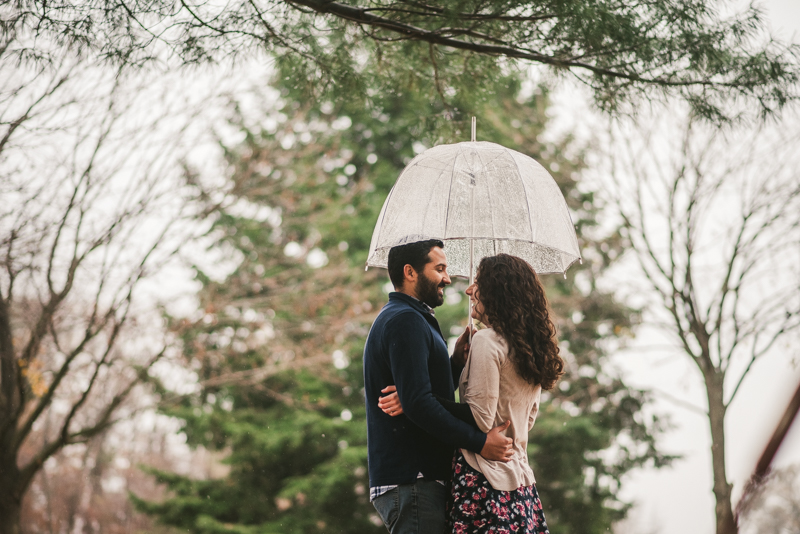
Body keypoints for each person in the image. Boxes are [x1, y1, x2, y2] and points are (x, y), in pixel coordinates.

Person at [380, 253, 563, 533]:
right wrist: (457, 364)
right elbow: (525, 421)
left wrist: (416, 401)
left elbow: (479, 417)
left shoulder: (488, 342)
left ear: (496, 290)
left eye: (477, 283)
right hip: (521, 482)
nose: (468, 290)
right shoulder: (530, 349)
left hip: (484, 480)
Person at [363, 239, 515, 534]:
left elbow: (422, 392)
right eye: (440, 269)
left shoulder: (413, 317)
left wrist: (454, 363)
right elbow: (419, 403)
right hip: (413, 479)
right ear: (410, 272)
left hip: (418, 481)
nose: (447, 278)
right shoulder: (405, 320)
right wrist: (481, 443)